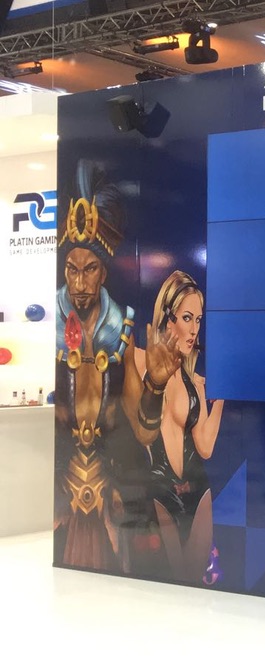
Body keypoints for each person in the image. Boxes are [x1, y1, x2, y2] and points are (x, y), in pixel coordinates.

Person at [53, 160, 145, 571]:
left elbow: (141, 424)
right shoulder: (55, 329)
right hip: (64, 481)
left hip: (112, 479)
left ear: (103, 273)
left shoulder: (122, 329)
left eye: (89, 270)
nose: (79, 283)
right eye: (71, 270)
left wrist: (155, 385)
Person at [129, 270, 224, 583]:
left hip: (197, 486)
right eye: (187, 318)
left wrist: (220, 396)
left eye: (198, 320)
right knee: (172, 579)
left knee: (194, 578)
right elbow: (138, 424)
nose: (194, 329)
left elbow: (205, 448)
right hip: (160, 485)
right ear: (168, 319)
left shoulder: (193, 382)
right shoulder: (140, 360)